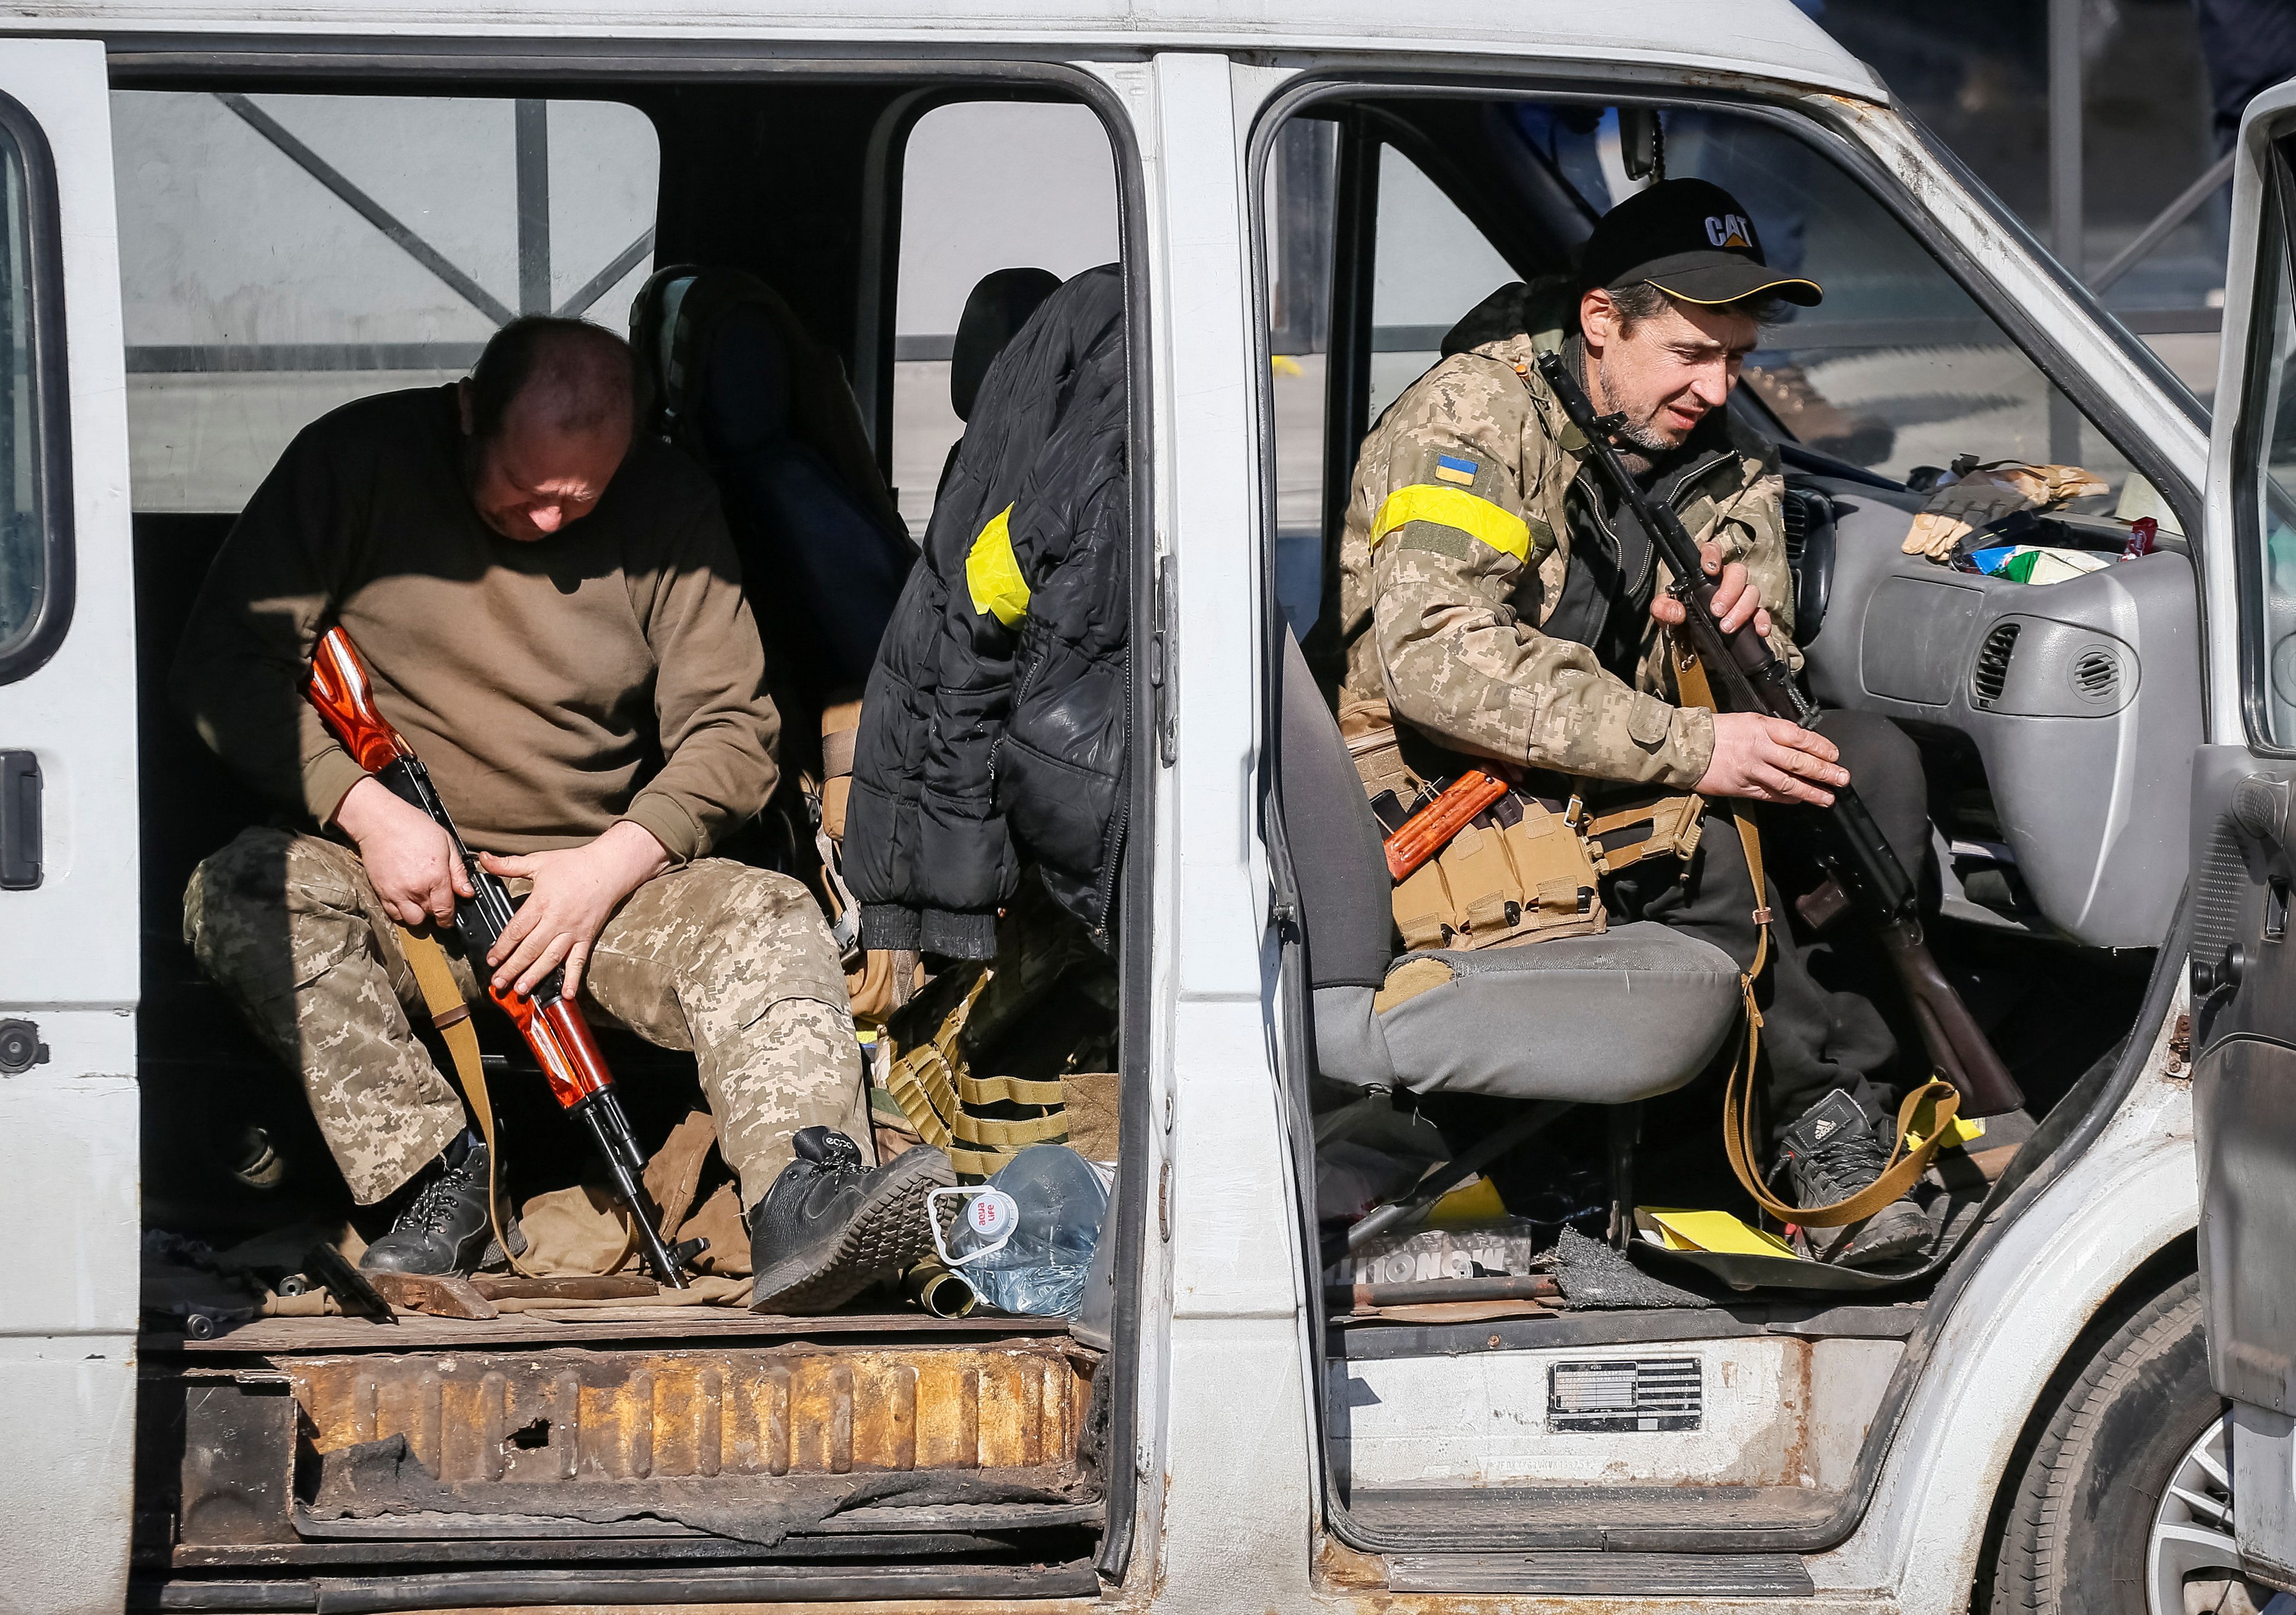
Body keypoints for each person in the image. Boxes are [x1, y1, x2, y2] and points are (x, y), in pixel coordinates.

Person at [174, 315, 952, 1309]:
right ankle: (433, 1179)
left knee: (766, 914)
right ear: (470, 410)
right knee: (244, 889)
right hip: (395, 889)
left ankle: (804, 1199)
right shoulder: (354, 463)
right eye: (526, 489)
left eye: (580, 499)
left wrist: (609, 865)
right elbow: (221, 666)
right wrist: (367, 812)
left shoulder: (667, 502)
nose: (550, 522)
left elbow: (734, 734)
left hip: (592, 896)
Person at [1337, 178, 1937, 1267]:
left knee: (1864, 770)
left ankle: (1845, 1107)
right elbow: (1433, 662)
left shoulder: (1722, 450)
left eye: (1738, 356)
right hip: (1451, 779)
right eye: (1691, 354)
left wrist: (1727, 641)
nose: (1718, 387)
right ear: (1601, 322)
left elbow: (1766, 666)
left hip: (1620, 758)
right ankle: (1812, 1133)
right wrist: (1692, 745)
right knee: (1720, 836)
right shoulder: (1473, 417)